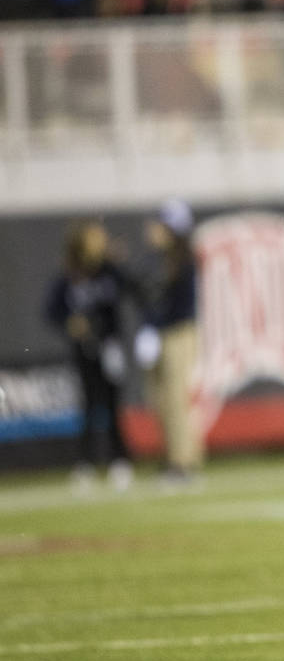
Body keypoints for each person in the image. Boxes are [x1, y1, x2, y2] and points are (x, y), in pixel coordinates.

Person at [44, 219, 135, 492]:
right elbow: (52, 310)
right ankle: (85, 462)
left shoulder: (108, 270)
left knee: (112, 403)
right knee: (87, 404)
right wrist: (71, 323)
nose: (101, 240)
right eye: (95, 237)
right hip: (84, 349)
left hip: (109, 347)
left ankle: (120, 460)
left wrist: (118, 263)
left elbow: (130, 288)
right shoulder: (70, 273)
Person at [135, 198, 202, 488]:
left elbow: (178, 306)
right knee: (158, 400)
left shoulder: (184, 261)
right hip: (159, 333)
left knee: (176, 400)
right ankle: (173, 458)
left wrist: (154, 326)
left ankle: (183, 463)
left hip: (177, 333)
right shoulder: (156, 259)